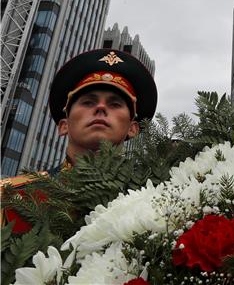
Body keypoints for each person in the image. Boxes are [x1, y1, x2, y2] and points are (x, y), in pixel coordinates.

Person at [1, 48, 157, 233]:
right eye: (88, 102)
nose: (100, 107)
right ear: (64, 125)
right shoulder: (10, 196)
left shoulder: (155, 199)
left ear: (133, 128)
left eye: (115, 104)